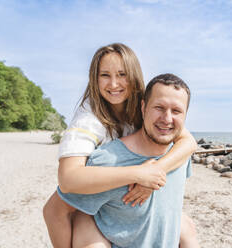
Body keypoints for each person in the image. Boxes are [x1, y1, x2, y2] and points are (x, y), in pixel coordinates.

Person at [43, 43, 198, 247]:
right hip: (89, 200)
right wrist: (138, 174)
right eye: (105, 75)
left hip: (120, 201)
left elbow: (187, 141)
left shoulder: (146, 104)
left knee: (186, 228)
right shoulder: (88, 121)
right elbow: (68, 180)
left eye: (122, 74)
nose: (114, 84)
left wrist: (155, 172)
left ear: (133, 76)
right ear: (94, 78)